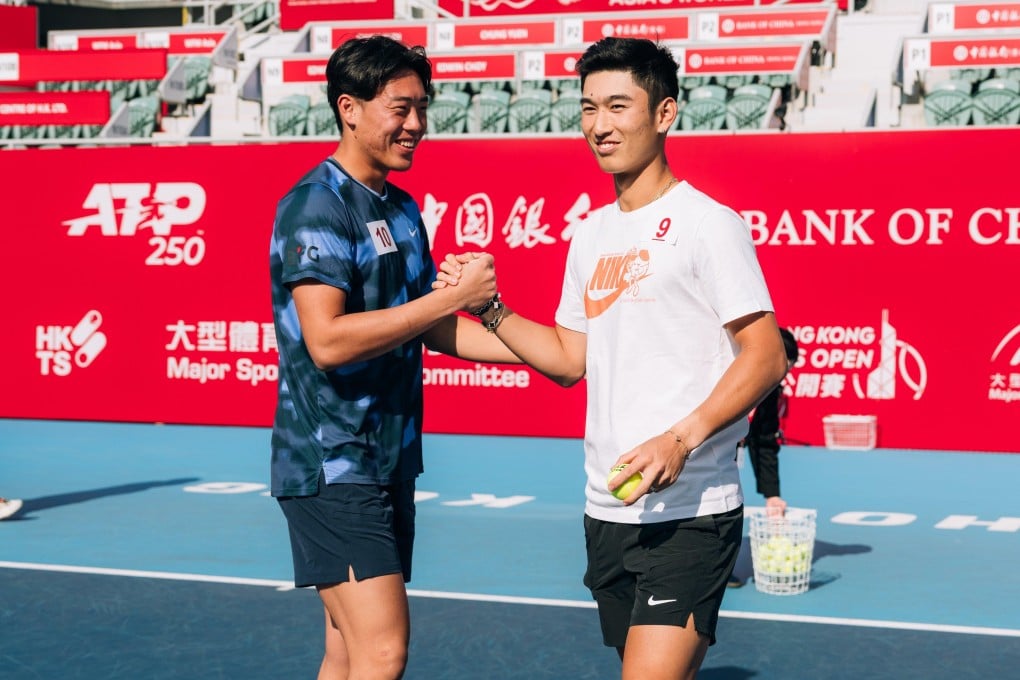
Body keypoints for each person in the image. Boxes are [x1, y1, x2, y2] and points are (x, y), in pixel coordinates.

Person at [436, 37, 788, 680]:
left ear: (665, 113)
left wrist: (682, 438)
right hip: (607, 510)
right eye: (588, 108)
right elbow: (571, 358)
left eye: (618, 106)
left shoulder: (709, 224)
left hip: (692, 511)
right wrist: (475, 311)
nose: (600, 125)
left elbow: (765, 358)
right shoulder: (590, 233)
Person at [268, 36, 519, 680]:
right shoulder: (314, 205)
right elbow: (325, 339)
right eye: (401, 108)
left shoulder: (403, 209)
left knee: (348, 651)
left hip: (387, 459)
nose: (417, 125)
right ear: (349, 109)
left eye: (422, 108)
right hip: (330, 463)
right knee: (383, 652)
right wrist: (454, 297)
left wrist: (549, 353)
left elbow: (433, 332)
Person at [729, 327, 800, 587]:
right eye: (784, 365)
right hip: (691, 443)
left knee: (726, 505)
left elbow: (764, 440)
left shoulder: (771, 388)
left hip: (727, 451)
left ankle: (718, 568)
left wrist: (772, 494)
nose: (784, 372)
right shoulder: (724, 369)